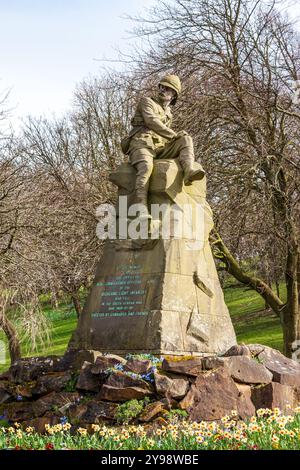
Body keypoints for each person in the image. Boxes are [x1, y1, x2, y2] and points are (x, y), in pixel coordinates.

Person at [121, 74, 205, 218]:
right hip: (141, 143)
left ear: (173, 95)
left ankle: (188, 171)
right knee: (146, 167)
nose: (163, 90)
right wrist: (173, 135)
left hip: (159, 147)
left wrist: (177, 137)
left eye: (167, 89)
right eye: (162, 87)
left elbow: (164, 134)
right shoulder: (146, 102)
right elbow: (151, 121)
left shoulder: (168, 113)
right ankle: (140, 207)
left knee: (186, 139)